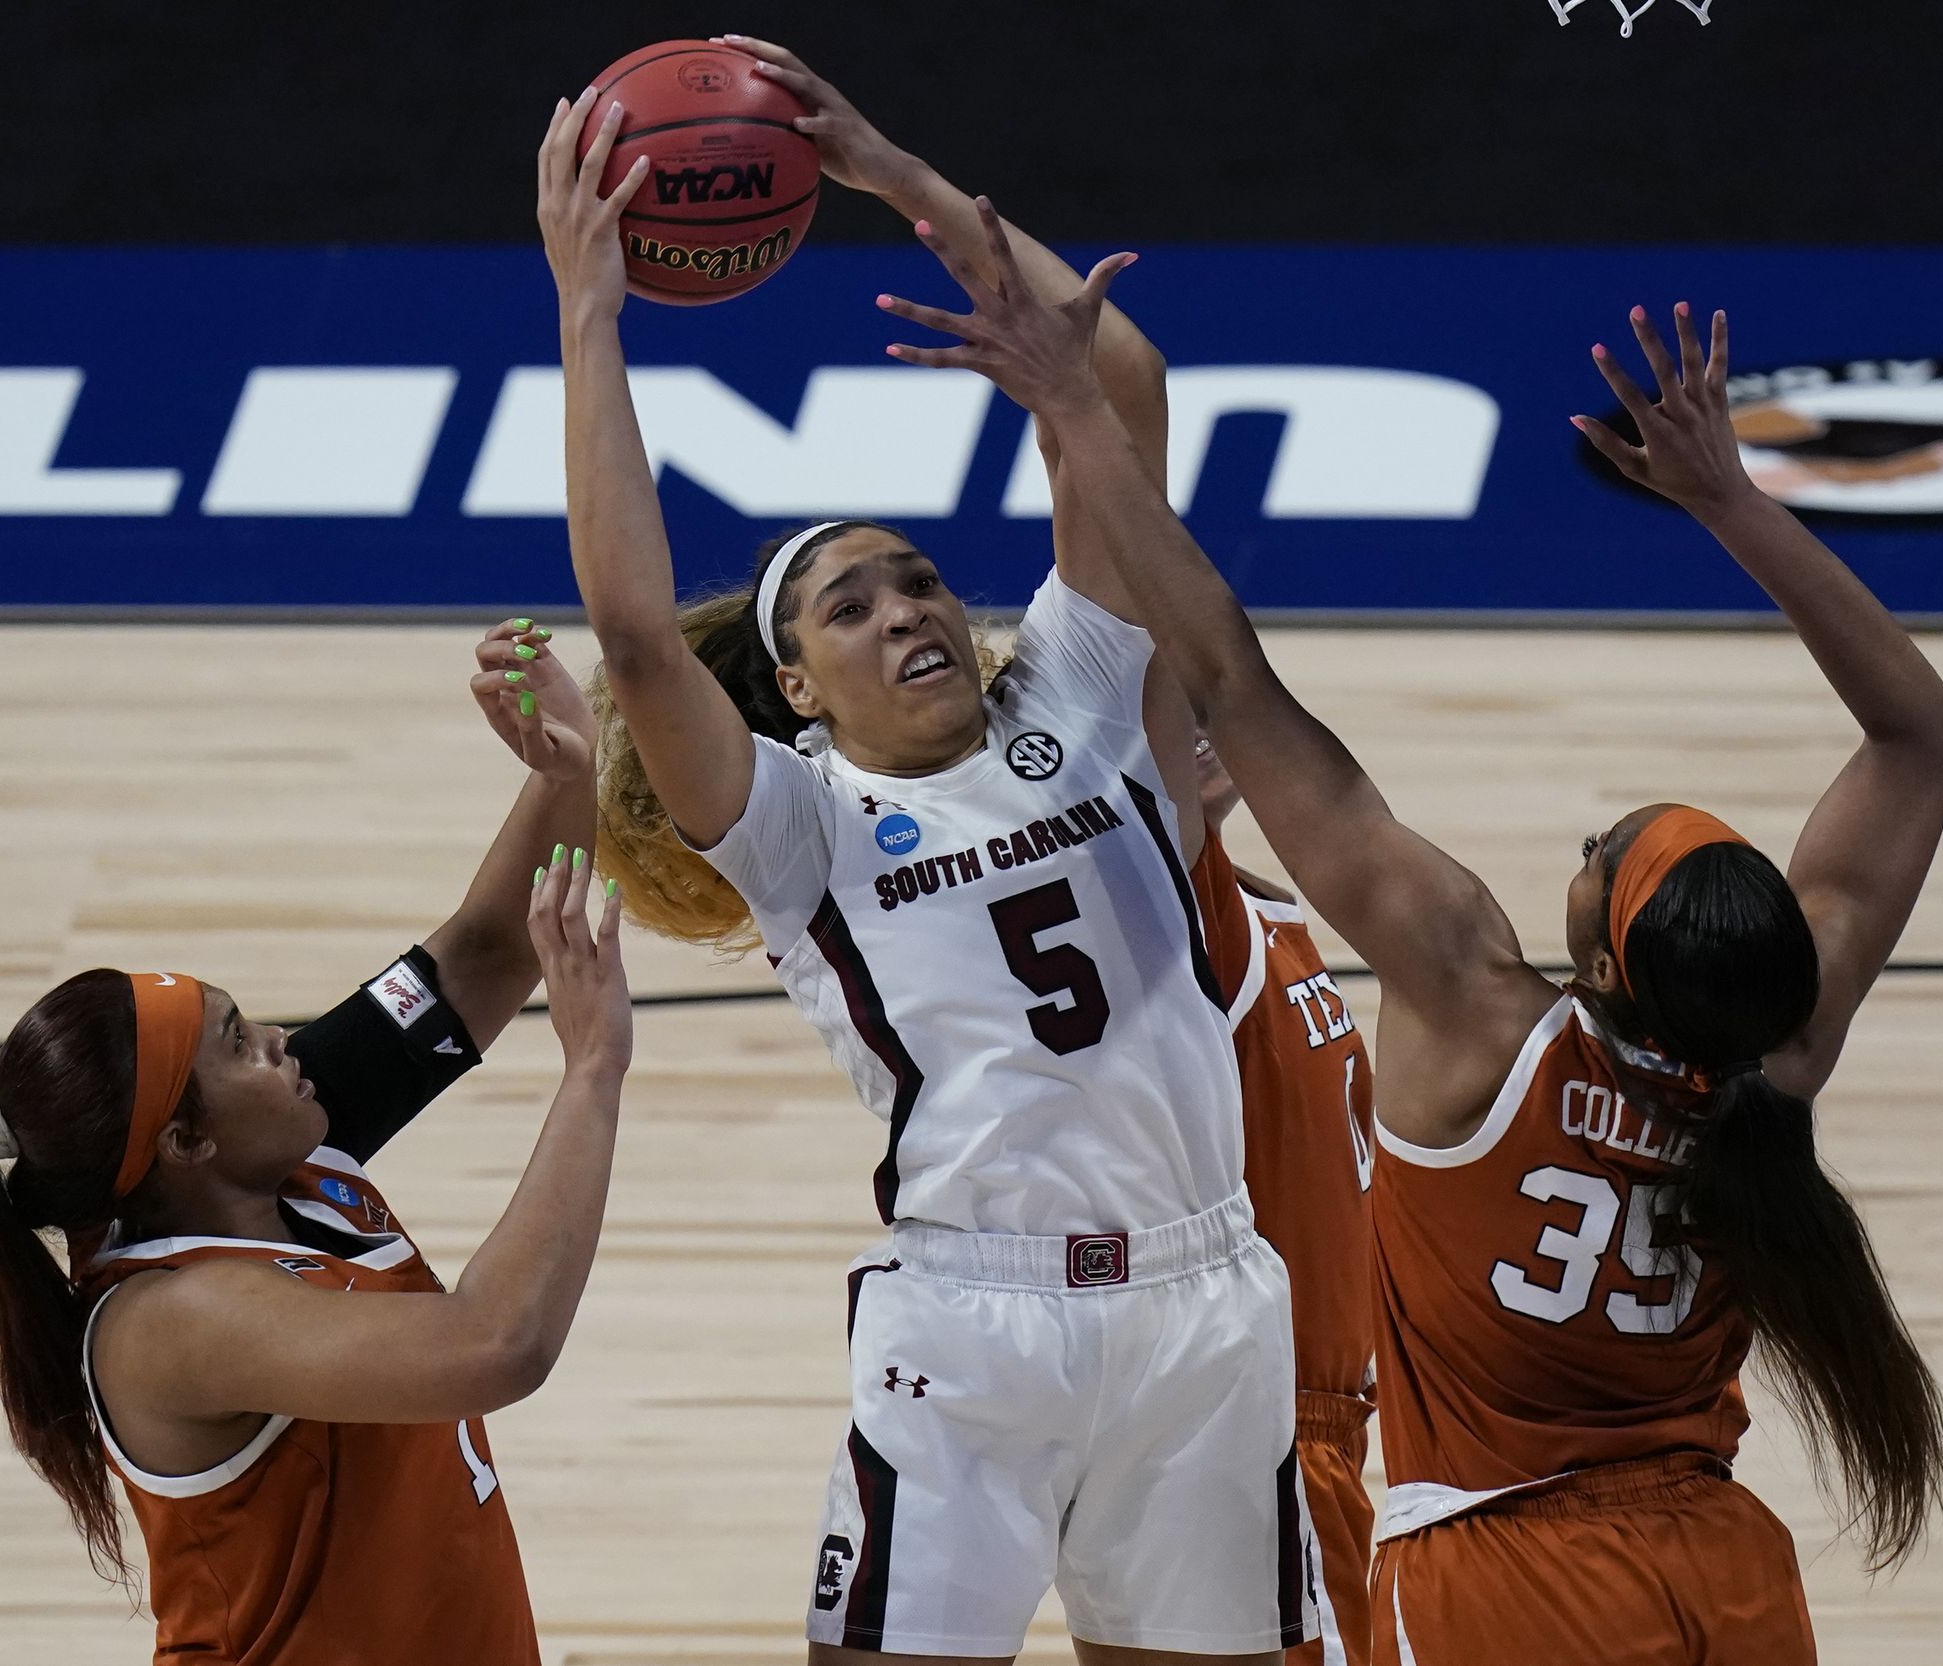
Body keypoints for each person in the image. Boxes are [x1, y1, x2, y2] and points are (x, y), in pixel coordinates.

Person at [879, 275, 1943, 1661]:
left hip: (1506, 1572)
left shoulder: (1480, 1011)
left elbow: (1225, 665)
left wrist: (1081, 416)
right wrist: (1733, 505)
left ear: (1599, 947)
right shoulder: (1781, 1054)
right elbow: (1916, 737)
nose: (1592, 834)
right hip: (1723, 1563)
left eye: (1600, 847)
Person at [539, 48, 1308, 1666]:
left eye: (917, 582)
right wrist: (589, 314)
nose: (906, 611)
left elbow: (1128, 387)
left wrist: (892, 175)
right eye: (852, 606)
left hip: (1210, 1295)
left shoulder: (1085, 697)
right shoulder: (798, 821)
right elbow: (628, 627)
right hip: (975, 1323)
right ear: (799, 692)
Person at [0, 627, 630, 1665]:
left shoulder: (285, 1149)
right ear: (184, 1137)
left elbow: (486, 950)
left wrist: (561, 769)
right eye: (237, 1042)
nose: (279, 1042)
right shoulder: (172, 1322)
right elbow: (494, 1346)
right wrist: (590, 1074)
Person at [1190, 737, 1380, 1666]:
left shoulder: (1268, 911)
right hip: (1269, 1426)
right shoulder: (1182, 909)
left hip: (1321, 1426)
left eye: (1197, 691)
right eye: (1153, 689)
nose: (1186, 714)